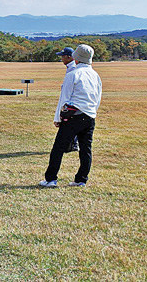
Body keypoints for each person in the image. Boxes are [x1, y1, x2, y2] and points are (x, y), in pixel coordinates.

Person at [40, 44, 102, 188]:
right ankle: (81, 179)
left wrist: (58, 118)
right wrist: (92, 112)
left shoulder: (73, 74)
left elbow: (64, 99)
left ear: (76, 57)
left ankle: (51, 179)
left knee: (58, 148)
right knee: (86, 149)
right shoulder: (95, 75)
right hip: (90, 116)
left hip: (73, 116)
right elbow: (97, 97)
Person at [56, 47, 79, 152]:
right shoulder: (70, 67)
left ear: (69, 57)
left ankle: (73, 144)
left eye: (63, 56)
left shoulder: (73, 68)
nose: (61, 58)